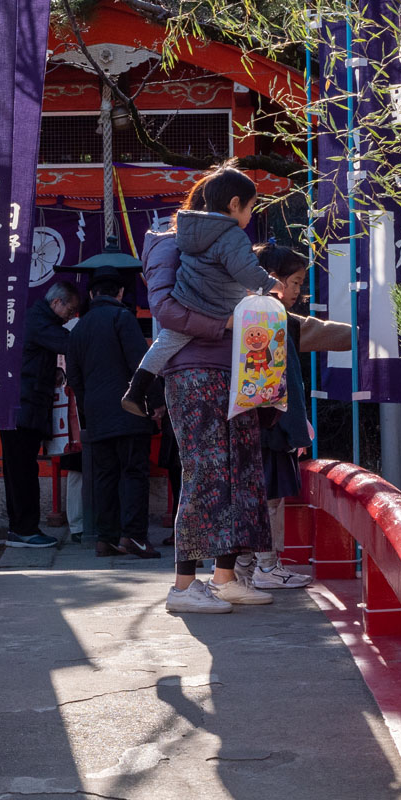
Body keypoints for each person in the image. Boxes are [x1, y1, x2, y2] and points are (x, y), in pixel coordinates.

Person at [141, 161, 275, 613]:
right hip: (195, 367)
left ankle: (224, 577)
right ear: (233, 204)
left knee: (241, 471)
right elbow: (164, 309)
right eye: (249, 208)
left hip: (238, 369)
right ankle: (182, 587)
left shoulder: (220, 241)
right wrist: (221, 327)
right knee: (206, 471)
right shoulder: (168, 240)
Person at [235, 242, 351, 590]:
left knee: (251, 494)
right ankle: (267, 566)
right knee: (269, 497)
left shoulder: (243, 311)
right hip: (267, 420)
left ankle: (243, 565)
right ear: (273, 279)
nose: (300, 292)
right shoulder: (272, 316)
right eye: (296, 282)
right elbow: (315, 334)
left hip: (242, 420)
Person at [122, 163, 277, 417]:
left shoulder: (187, 237)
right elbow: (245, 273)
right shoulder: (231, 236)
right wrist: (268, 286)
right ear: (233, 204)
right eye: (251, 208)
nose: (251, 215)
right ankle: (268, 402)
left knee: (164, 342)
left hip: (194, 314)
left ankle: (136, 390)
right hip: (204, 358)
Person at [66, 267, 161, 559]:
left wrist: (87, 409)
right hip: (130, 411)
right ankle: (134, 536)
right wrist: (156, 400)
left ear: (93, 294)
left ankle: (105, 538)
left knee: (104, 476)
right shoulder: (123, 318)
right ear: (119, 293)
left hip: (97, 413)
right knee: (133, 473)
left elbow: (75, 378)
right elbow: (141, 363)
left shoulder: (78, 328)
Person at [0, 280, 80, 548]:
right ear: (57, 302)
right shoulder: (39, 322)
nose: (71, 316)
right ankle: (25, 529)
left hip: (19, 406)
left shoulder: (36, 319)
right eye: (70, 310)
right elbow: (70, 345)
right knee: (22, 469)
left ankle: (20, 528)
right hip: (23, 407)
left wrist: (53, 372)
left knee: (18, 468)